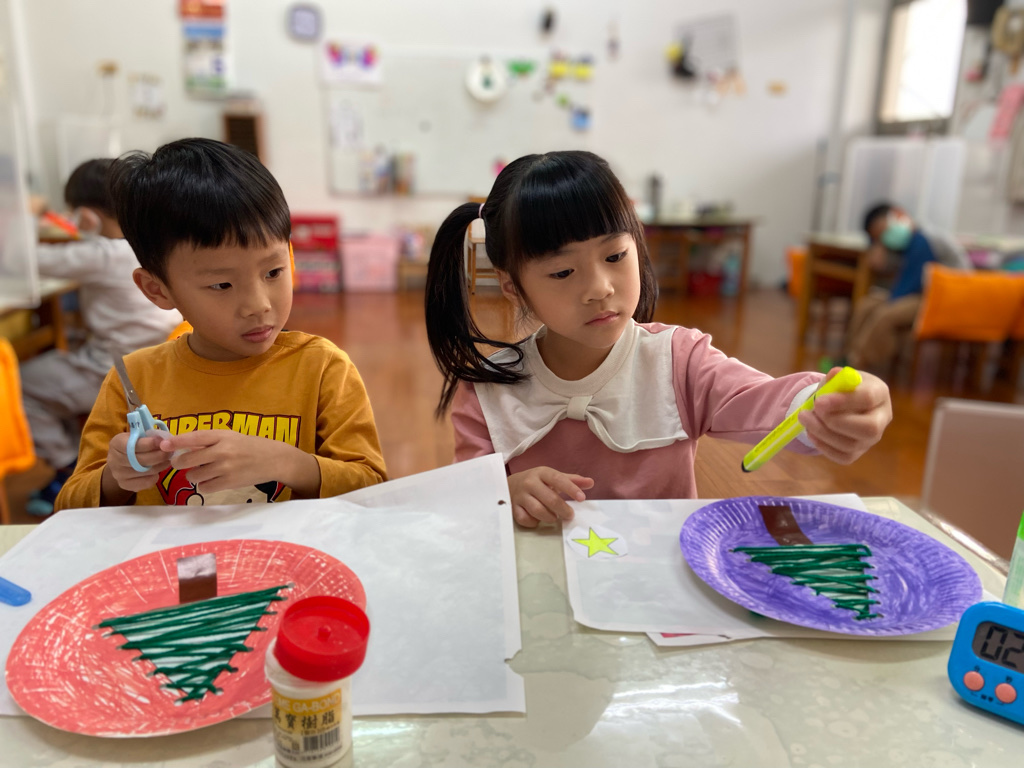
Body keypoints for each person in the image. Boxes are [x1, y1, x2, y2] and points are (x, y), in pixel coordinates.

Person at [424, 151, 892, 528]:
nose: (599, 288)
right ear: (512, 286)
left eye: (615, 256)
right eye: (563, 272)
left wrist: (830, 406)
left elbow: (767, 403)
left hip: (661, 586)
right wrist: (505, 494)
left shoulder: (678, 360)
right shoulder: (487, 390)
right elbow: (469, 503)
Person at [55, 138, 386, 511]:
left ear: (290, 257)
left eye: (274, 272)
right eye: (222, 285)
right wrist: (115, 478)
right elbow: (68, 508)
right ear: (157, 290)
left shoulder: (323, 368)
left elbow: (371, 490)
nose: (258, 305)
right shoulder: (132, 381)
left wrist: (288, 463)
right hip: (173, 550)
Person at [21, 159, 182, 517]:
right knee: (54, 369)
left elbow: (29, 259)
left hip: (114, 370)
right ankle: (76, 456)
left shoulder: (105, 254)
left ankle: (66, 467)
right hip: (155, 359)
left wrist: (28, 215)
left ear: (87, 216)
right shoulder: (152, 243)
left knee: (21, 384)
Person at [845, 203, 970, 371]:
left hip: (942, 299)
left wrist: (892, 299)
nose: (884, 238)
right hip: (915, 294)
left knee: (885, 314)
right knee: (866, 304)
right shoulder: (902, 243)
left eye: (884, 232)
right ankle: (850, 355)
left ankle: (859, 364)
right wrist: (879, 254)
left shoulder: (926, 239)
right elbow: (892, 277)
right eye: (879, 237)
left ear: (898, 215)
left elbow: (912, 282)